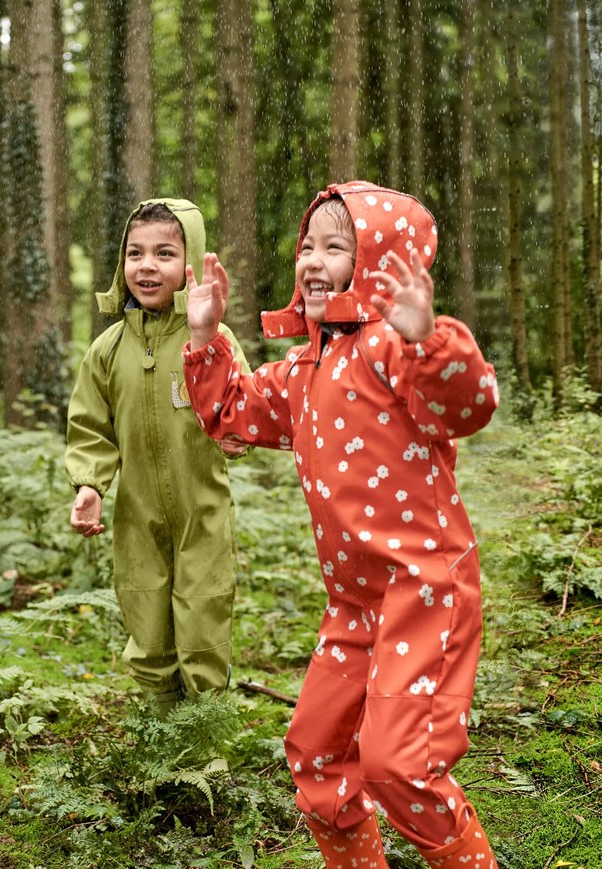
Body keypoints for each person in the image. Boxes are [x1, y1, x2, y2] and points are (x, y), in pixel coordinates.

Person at [182, 181, 499, 869]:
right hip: (354, 601)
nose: (312, 260)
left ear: (379, 261)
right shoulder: (303, 368)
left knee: (398, 764)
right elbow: (233, 410)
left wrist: (428, 337)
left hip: (424, 588)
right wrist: (204, 336)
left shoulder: (394, 350)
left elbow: (471, 404)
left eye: (336, 246)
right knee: (317, 753)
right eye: (307, 246)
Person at [65, 198, 250, 715]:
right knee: (145, 609)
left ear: (190, 264)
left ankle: (206, 723)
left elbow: (241, 402)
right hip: (137, 514)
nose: (147, 266)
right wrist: (89, 484)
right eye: (135, 253)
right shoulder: (108, 349)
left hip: (201, 511)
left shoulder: (213, 338)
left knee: (203, 612)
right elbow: (90, 426)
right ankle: (161, 724)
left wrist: (238, 430)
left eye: (165, 253)